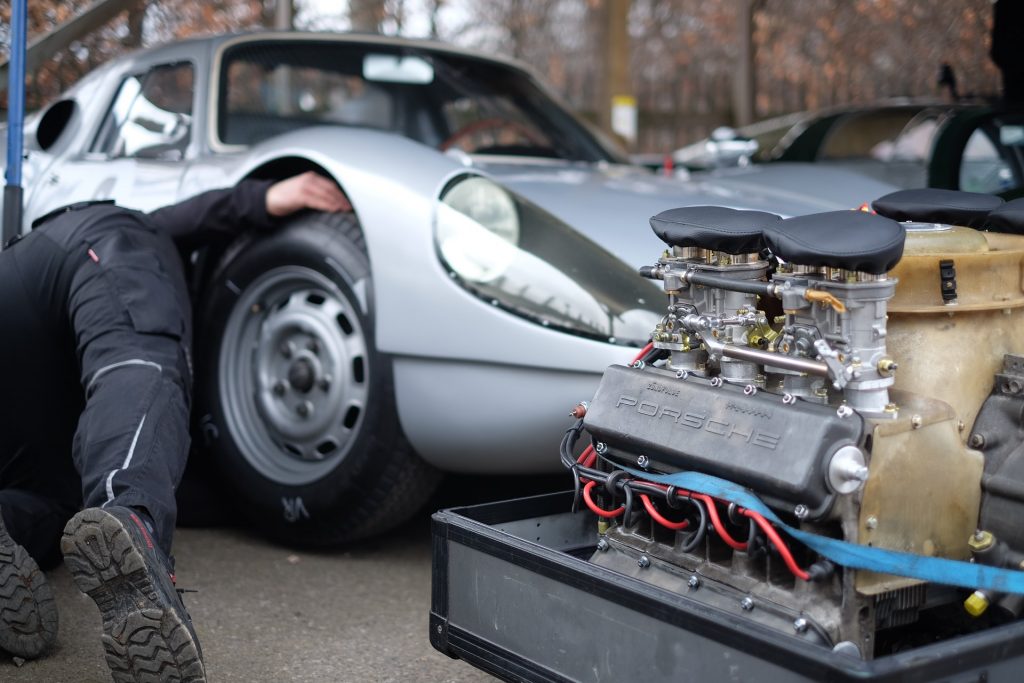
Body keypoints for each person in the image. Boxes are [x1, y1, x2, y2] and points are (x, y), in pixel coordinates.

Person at [0, 172, 350, 680]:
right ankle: (130, 514)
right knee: (137, 362)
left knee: (54, 511)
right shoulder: (137, 239)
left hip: (24, 353)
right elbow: (184, 218)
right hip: (85, 253)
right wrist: (262, 197)